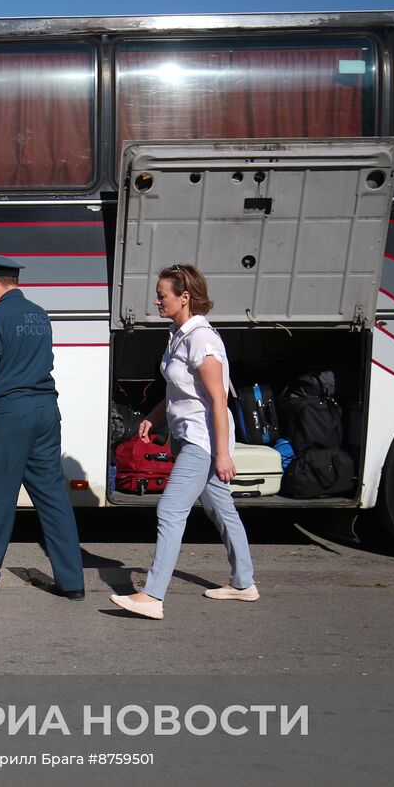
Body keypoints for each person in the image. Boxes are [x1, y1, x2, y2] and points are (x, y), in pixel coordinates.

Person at [109, 263, 258, 621]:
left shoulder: (202, 340)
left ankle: (153, 596)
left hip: (203, 441)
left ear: (185, 297)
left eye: (163, 296)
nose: (157, 301)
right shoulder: (178, 335)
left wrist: (222, 454)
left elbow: (218, 401)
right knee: (221, 509)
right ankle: (244, 583)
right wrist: (153, 417)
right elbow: (180, 391)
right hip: (188, 437)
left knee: (170, 510)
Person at [0, 252, 84, 600]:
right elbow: (18, 362)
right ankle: (72, 583)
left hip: (9, 417)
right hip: (44, 412)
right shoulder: (39, 314)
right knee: (53, 500)